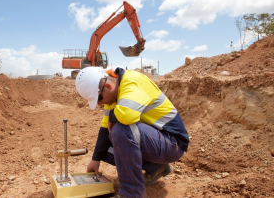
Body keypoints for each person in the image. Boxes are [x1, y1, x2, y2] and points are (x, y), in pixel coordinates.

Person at [75, 67, 189, 198]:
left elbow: (127, 115)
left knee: (121, 131)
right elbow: (105, 128)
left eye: (99, 99)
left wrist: (113, 118)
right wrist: (95, 159)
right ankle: (157, 167)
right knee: (106, 150)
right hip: (157, 141)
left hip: (173, 143)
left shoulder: (132, 81)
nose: (100, 104)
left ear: (107, 86)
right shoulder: (112, 96)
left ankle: (132, 193)